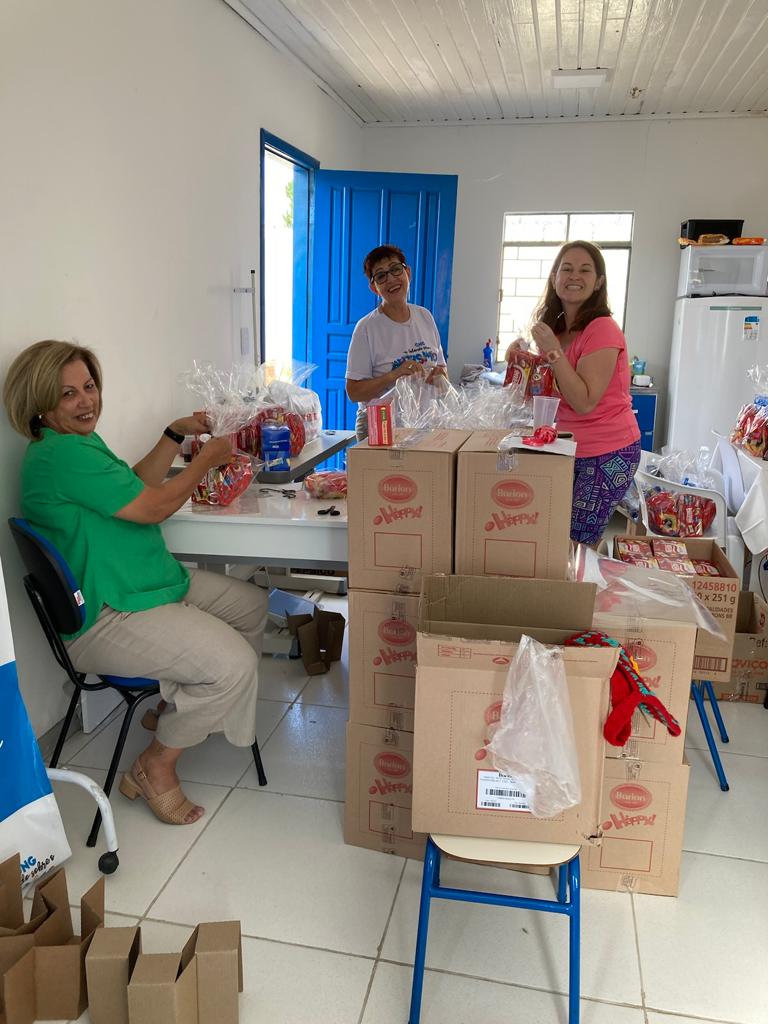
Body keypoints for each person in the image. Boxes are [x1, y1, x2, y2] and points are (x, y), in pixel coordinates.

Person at [3, 340, 268, 826]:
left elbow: (137, 486)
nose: (86, 401)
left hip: (142, 585)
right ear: (40, 405)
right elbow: (154, 507)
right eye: (67, 394)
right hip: (109, 614)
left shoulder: (73, 445)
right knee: (236, 664)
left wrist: (173, 434)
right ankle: (156, 764)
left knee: (251, 607)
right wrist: (204, 461)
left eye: (89, 386)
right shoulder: (62, 456)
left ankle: (184, 707)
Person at [516, 240, 641, 546]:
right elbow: (546, 390)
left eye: (585, 270)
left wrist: (552, 352)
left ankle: (586, 578)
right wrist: (522, 362)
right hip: (567, 447)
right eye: (567, 269)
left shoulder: (602, 328)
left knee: (574, 544)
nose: (574, 276)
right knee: (555, 537)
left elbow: (584, 401)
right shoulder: (558, 330)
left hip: (606, 451)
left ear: (598, 282)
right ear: (554, 278)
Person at [345, 244, 448, 440]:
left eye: (395, 269)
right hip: (380, 427)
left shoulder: (425, 316)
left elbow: (442, 368)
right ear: (374, 287)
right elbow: (354, 392)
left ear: (407, 273)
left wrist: (439, 375)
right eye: (381, 276)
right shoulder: (367, 328)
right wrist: (394, 375)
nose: (391, 279)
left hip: (425, 424)